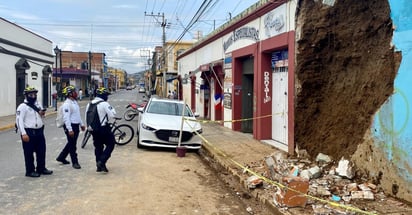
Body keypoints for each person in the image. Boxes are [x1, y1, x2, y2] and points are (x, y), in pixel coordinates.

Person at [15, 86, 53, 177]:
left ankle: (41, 168)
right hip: (29, 132)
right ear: (26, 96)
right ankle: (30, 171)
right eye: (31, 94)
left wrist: (42, 114)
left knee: (41, 151)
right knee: (29, 153)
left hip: (39, 131)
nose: (33, 96)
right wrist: (23, 133)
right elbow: (19, 121)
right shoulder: (22, 107)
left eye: (34, 94)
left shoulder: (38, 104)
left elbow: (41, 116)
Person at [85, 87, 116, 173]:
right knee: (111, 144)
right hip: (103, 128)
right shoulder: (104, 104)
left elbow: (86, 117)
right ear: (103, 95)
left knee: (98, 147)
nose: (107, 97)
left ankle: (99, 166)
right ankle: (102, 161)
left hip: (93, 129)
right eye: (106, 95)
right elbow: (112, 115)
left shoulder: (89, 104)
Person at [56, 86, 85, 169]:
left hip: (76, 125)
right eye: (73, 92)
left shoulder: (75, 102)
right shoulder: (66, 104)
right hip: (70, 126)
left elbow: (77, 115)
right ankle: (75, 162)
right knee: (72, 145)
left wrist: (81, 124)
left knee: (71, 143)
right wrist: (70, 129)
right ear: (69, 94)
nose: (75, 93)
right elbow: (66, 118)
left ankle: (61, 157)